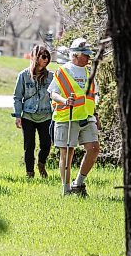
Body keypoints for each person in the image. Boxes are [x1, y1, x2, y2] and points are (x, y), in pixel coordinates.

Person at [48, 38, 101, 197]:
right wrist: (65, 101)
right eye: (86, 55)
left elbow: (93, 96)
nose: (88, 58)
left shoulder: (89, 71)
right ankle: (66, 190)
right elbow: (53, 93)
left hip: (87, 117)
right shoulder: (63, 71)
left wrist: (96, 115)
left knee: (94, 148)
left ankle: (78, 183)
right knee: (67, 153)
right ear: (76, 55)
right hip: (66, 117)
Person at [12, 45, 54, 178]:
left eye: (47, 56)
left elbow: (56, 95)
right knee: (29, 145)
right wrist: (18, 116)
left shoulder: (52, 76)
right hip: (28, 116)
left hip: (46, 115)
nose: (46, 59)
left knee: (46, 144)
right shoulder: (23, 75)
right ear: (36, 57)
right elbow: (17, 97)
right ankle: (29, 173)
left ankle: (41, 164)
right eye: (43, 56)